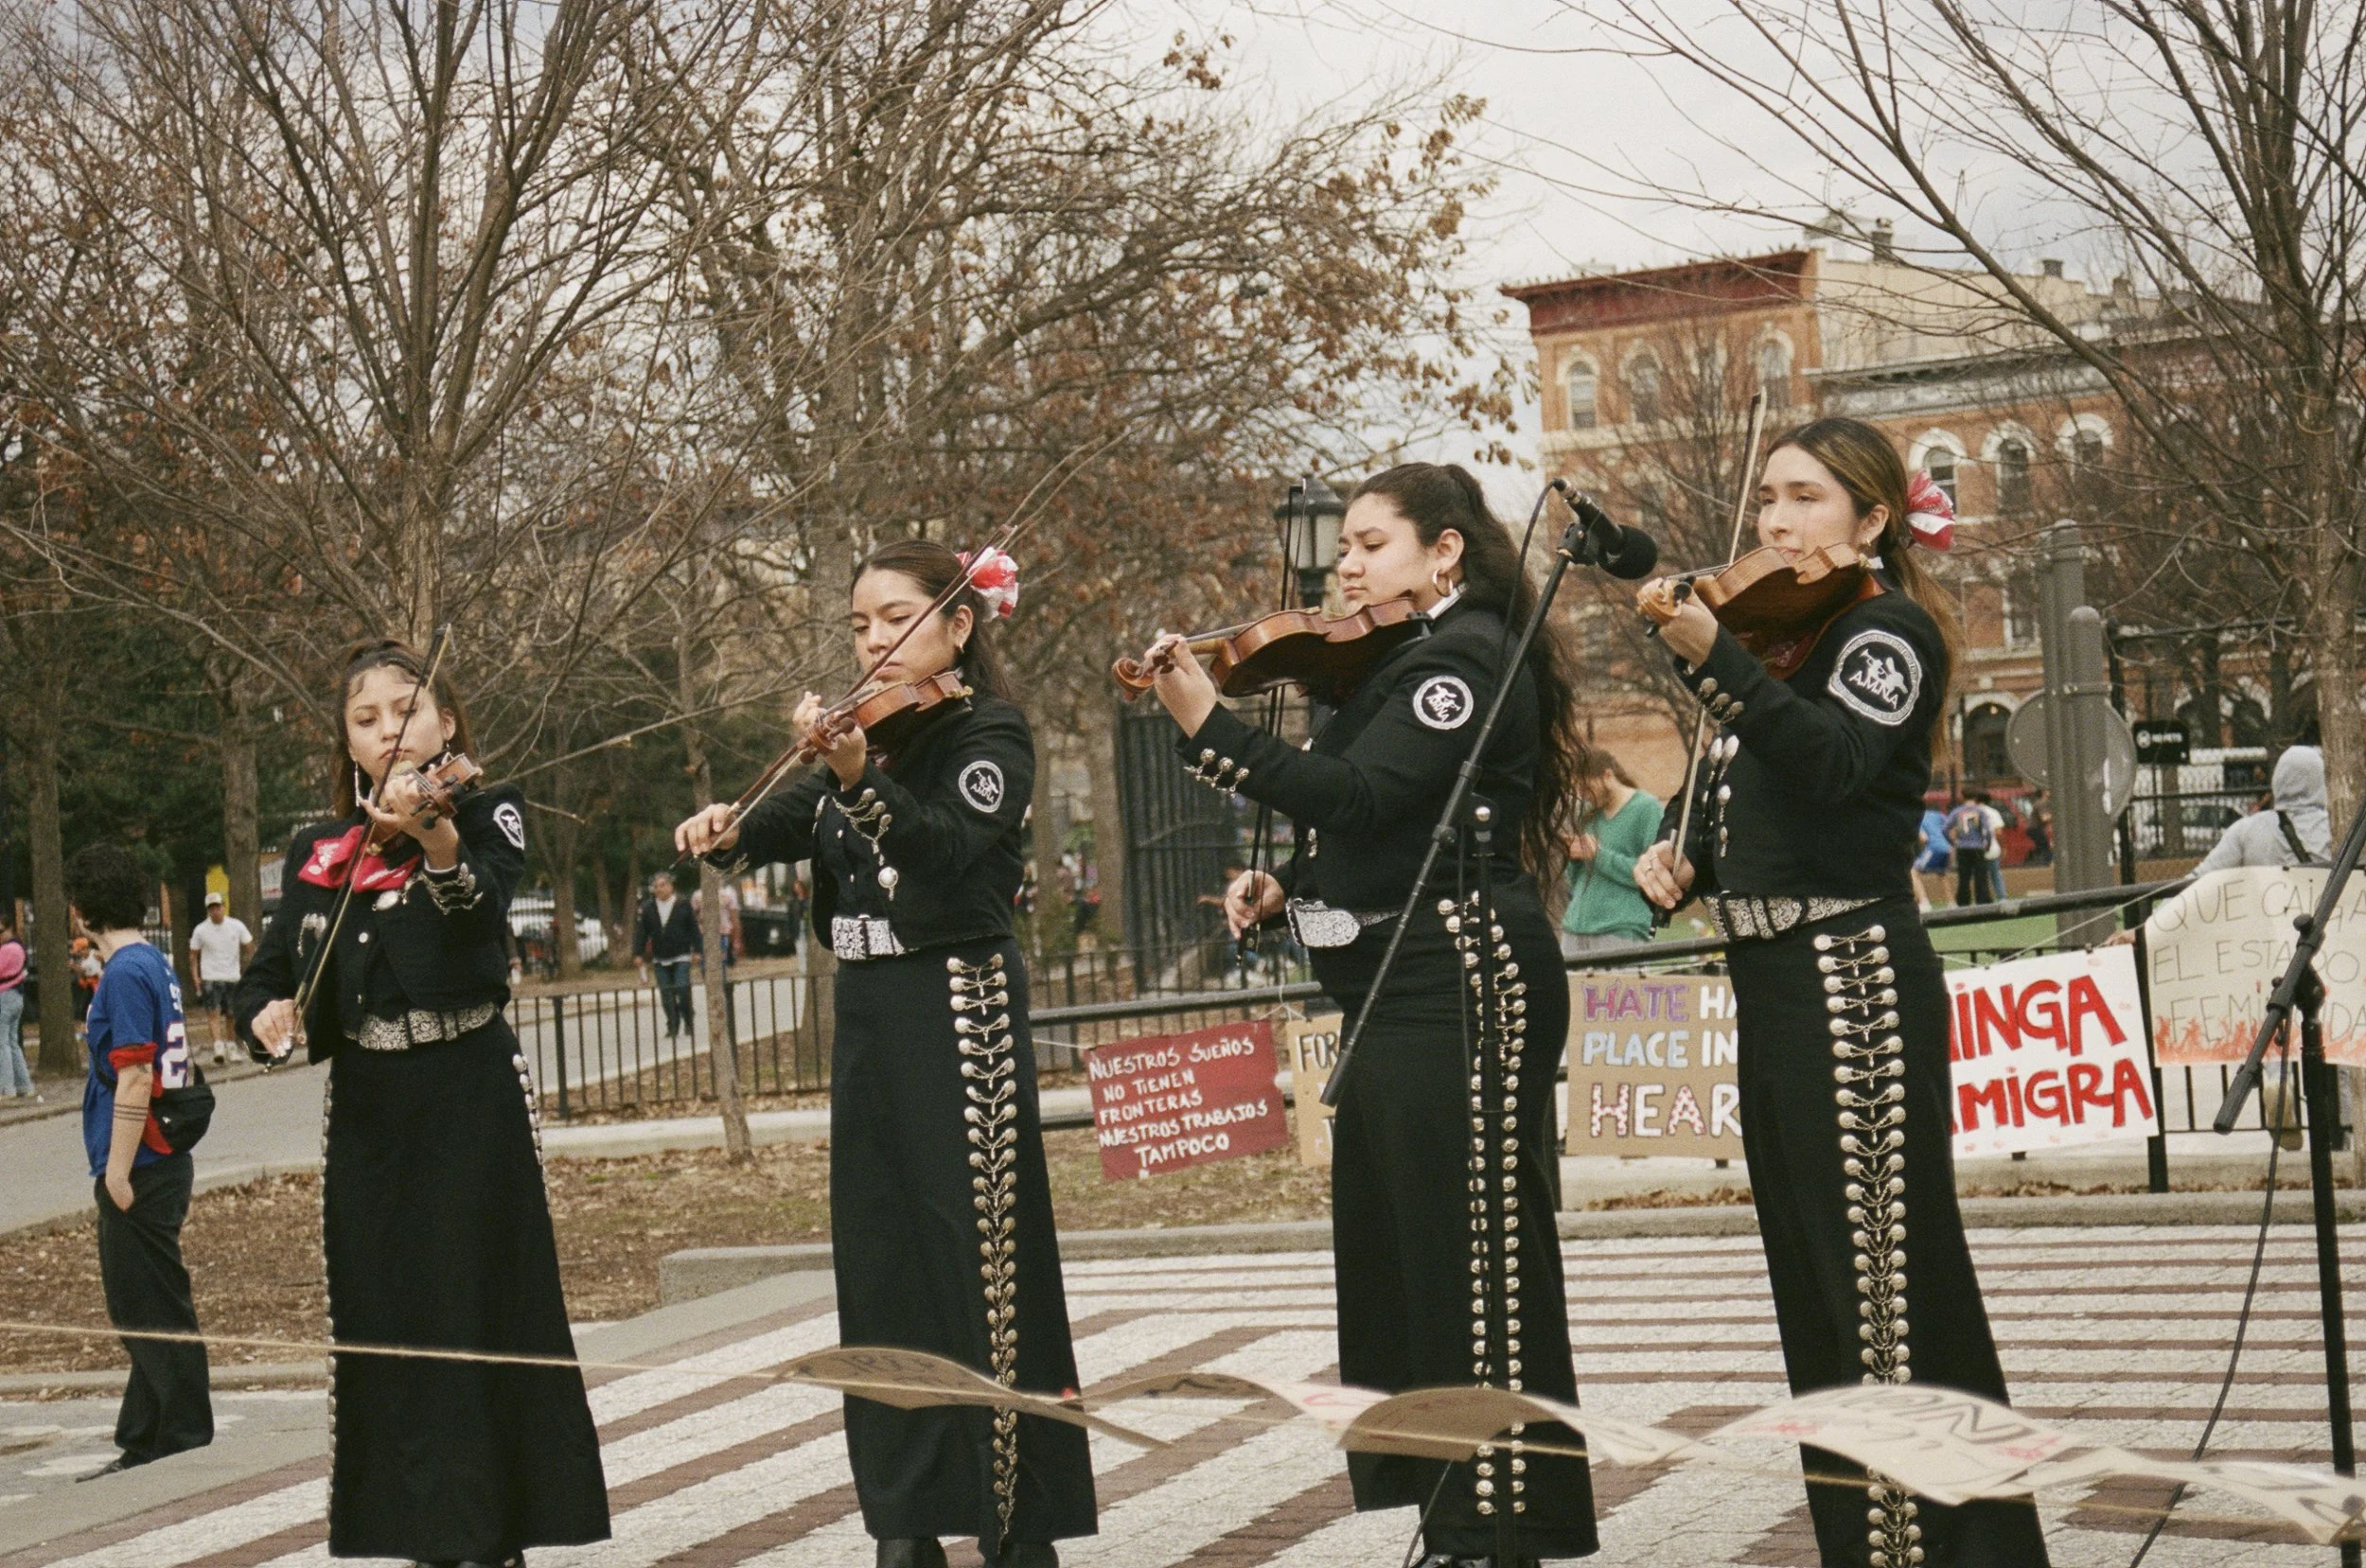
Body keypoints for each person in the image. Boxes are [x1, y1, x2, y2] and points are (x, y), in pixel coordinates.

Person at [1141, 462, 1598, 1564]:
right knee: (1407, 1256)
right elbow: (1375, 833)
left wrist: (1208, 720)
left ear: (1445, 550)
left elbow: (1358, 796)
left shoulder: (1469, 653)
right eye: (1341, 545)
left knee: (1472, 1255)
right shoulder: (1400, 659)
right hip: (1406, 984)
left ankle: (1497, 1524)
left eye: (1369, 543)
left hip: (1462, 984)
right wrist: (1291, 887)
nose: (1343, 564)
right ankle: (1458, 1511)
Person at [1633, 417, 2049, 1568]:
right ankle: (1867, 1549)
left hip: (1849, 982)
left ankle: (1962, 1556)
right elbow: (1768, 802)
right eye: (1769, 496)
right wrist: (1685, 863)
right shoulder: (1780, 644)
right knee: (1818, 1296)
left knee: (1887, 1287)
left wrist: (1710, 655)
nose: (1774, 520)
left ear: (1870, 519)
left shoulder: (1882, 631)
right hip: (1771, 982)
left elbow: (1832, 765)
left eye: (1806, 497)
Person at [676, 539, 1095, 1568]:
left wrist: (858, 776)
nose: (873, 639)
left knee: (981, 1265)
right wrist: (727, 832)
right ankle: (904, 1517)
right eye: (861, 623)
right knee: (881, 1261)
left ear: (957, 626)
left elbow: (944, 845)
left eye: (897, 617)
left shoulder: (986, 730)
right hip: (868, 1008)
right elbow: (790, 816)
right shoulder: (862, 737)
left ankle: (1014, 1516)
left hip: (956, 1005)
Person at [238, 639, 609, 1567]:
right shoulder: (320, 851)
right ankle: (425, 1534)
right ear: (348, 746)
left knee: (481, 1309)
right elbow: (266, 975)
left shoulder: (489, 809)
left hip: (467, 1094)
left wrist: (437, 836)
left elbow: (482, 912)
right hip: (369, 1108)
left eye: (406, 706)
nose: (389, 729)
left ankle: (496, 1535)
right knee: (389, 1318)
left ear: (446, 718)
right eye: (366, 718)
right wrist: (266, 1018)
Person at [67, 843, 213, 1479]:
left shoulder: (124, 973)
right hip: (159, 1157)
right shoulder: (152, 961)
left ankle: (178, 1431)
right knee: (146, 1300)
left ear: (80, 910)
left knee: (145, 1303)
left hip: (143, 1162)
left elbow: (133, 1076)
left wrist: (118, 1171)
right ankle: (146, 1433)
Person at [1561, 747, 1662, 959]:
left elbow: (1652, 875)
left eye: (1587, 788)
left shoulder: (1647, 809)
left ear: (1608, 775)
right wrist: (1573, 857)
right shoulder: (1586, 814)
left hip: (1621, 929)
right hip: (1575, 928)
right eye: (1578, 790)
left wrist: (1598, 855)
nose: (1583, 795)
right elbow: (1574, 879)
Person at [2196, 744, 2328, 872]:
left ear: (2278, 778)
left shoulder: (2246, 830)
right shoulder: (2334, 828)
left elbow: (2198, 879)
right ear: (2321, 780)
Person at [186, 893, 254, 1066]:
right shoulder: (201, 930)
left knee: (231, 1013)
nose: (215, 911)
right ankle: (218, 1046)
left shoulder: (236, 926)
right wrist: (196, 978)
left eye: (218, 907)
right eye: (212, 908)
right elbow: (193, 955)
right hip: (211, 975)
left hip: (231, 975)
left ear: (223, 906)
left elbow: (249, 946)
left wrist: (250, 968)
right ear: (208, 910)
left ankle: (231, 1045)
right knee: (213, 1012)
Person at [633, 871, 699, 1039]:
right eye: (656, 886)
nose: (659, 889)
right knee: (666, 994)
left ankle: (688, 1019)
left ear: (671, 886)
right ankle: (673, 1024)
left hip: (681, 956)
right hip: (660, 957)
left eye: (663, 885)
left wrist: (698, 950)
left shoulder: (682, 904)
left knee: (682, 988)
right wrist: (638, 953)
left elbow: (693, 929)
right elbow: (642, 931)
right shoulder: (649, 908)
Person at [0, 917, 34, 1100]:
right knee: (12, 1043)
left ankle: (6, 1088)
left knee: (2, 1043)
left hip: (4, 996)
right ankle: (24, 1085)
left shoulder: (8, 949)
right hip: (16, 996)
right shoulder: (19, 948)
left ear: (9, 930)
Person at [1944, 791, 1996, 905]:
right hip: (1977, 846)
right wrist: (1988, 843)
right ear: (1976, 797)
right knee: (1980, 875)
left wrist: (1953, 842)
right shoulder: (1980, 811)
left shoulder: (1957, 811)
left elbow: (1945, 828)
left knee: (1964, 876)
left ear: (1962, 797)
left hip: (1962, 847)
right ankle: (1982, 899)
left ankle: (1963, 901)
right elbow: (1987, 830)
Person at [1914, 802, 1951, 913]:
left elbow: (1923, 838)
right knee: (1942, 874)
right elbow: (1949, 827)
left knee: (1913, 872)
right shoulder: (1937, 815)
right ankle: (1951, 903)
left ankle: (1924, 902)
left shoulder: (1917, 818)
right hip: (1946, 847)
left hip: (1933, 847)